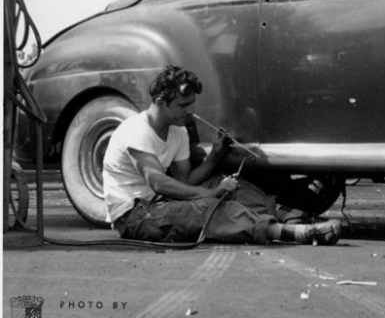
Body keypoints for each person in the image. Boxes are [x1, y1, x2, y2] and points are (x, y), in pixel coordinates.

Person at [102, 65, 341, 246]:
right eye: (183, 105)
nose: (191, 111)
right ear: (161, 103)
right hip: (135, 213)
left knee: (231, 186)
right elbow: (158, 182)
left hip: (160, 202)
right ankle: (286, 233)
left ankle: (285, 214)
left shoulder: (178, 131)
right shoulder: (136, 130)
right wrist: (209, 194)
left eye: (192, 104)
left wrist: (215, 156)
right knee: (205, 208)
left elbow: (186, 181)